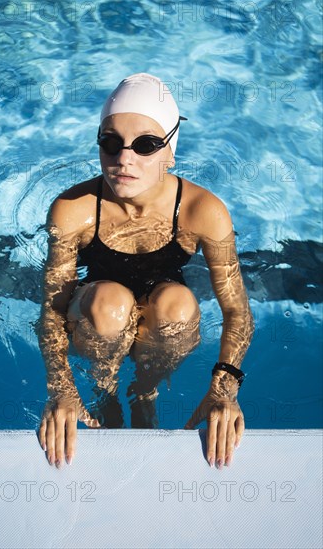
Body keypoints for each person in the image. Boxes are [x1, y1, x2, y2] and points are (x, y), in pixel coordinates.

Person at [38, 73, 255, 470]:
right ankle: (105, 392)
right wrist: (62, 389)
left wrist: (225, 390)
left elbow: (237, 311)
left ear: (170, 151)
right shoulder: (73, 209)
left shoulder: (202, 211)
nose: (124, 159)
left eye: (145, 145)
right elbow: (53, 307)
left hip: (164, 316)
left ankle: (144, 392)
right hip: (96, 315)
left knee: (178, 305)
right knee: (109, 304)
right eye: (110, 142)